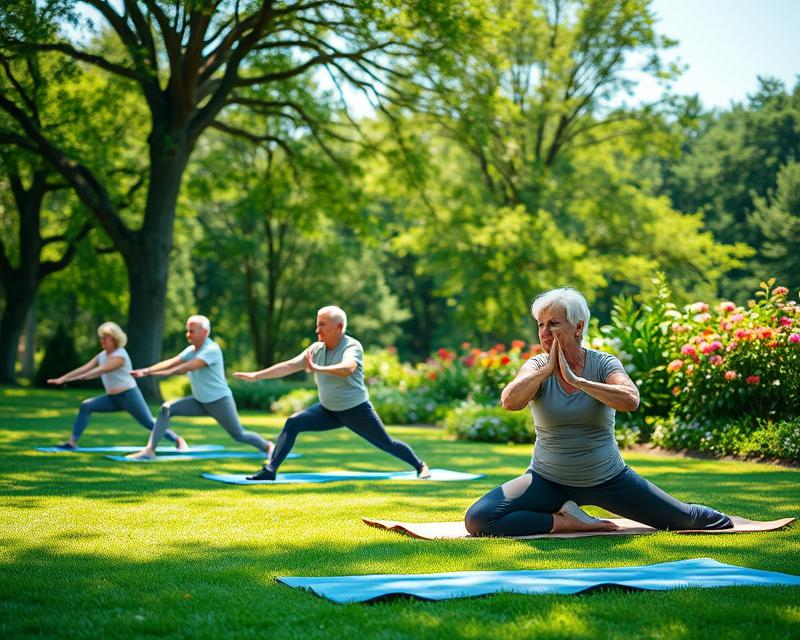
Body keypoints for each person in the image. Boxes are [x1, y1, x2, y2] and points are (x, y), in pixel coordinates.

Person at [465, 287, 732, 536]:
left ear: (578, 327)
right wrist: (546, 372)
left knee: (690, 520)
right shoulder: (536, 366)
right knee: (479, 519)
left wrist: (578, 381)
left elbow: (630, 400)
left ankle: (716, 516)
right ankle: (567, 520)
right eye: (540, 325)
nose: (544, 332)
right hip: (547, 480)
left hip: (609, 480)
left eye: (553, 324)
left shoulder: (603, 363)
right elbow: (510, 401)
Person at [235, 305, 430, 481]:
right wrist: (256, 376)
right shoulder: (316, 349)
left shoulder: (352, 346)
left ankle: (420, 465)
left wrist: (319, 368)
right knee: (293, 422)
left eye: (322, 324)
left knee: (387, 443)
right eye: (317, 324)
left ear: (338, 327)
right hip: (327, 411)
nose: (317, 329)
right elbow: (289, 366)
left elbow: (348, 368)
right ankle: (270, 470)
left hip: (356, 411)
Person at [126, 315, 273, 461]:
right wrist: (147, 370)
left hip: (219, 402)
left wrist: (159, 374)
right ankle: (149, 450)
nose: (188, 335)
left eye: (192, 331)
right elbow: (172, 362)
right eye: (187, 331)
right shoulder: (191, 350)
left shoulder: (211, 349)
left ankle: (268, 447)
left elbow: (185, 368)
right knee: (166, 408)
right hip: (199, 401)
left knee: (239, 435)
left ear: (205, 332)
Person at [48, 322, 188, 451]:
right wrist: (62, 379)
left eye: (106, 338)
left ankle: (178, 439)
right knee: (86, 405)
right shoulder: (102, 355)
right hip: (112, 399)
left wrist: (86, 376)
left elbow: (102, 370)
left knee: (149, 423)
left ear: (114, 339)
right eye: (101, 338)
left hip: (129, 396)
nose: (102, 341)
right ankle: (72, 443)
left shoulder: (120, 355)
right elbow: (85, 368)